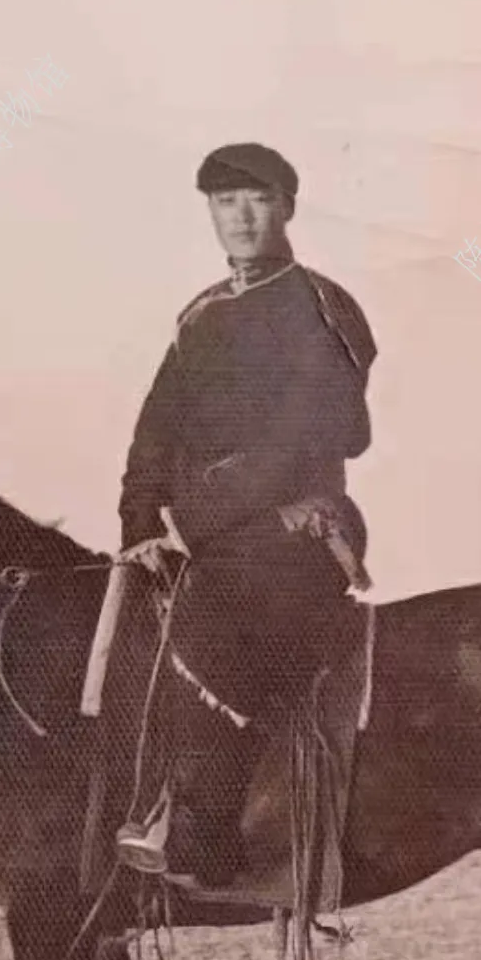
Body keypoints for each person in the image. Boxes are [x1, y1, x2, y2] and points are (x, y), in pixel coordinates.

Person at [112, 142, 377, 890]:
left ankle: (208, 831)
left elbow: (305, 438)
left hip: (298, 526)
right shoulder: (200, 314)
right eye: (225, 202)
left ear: (287, 207)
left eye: (258, 200)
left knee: (213, 615)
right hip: (210, 529)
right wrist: (139, 526)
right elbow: (154, 431)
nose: (241, 217)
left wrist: (189, 522)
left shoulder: (322, 308)